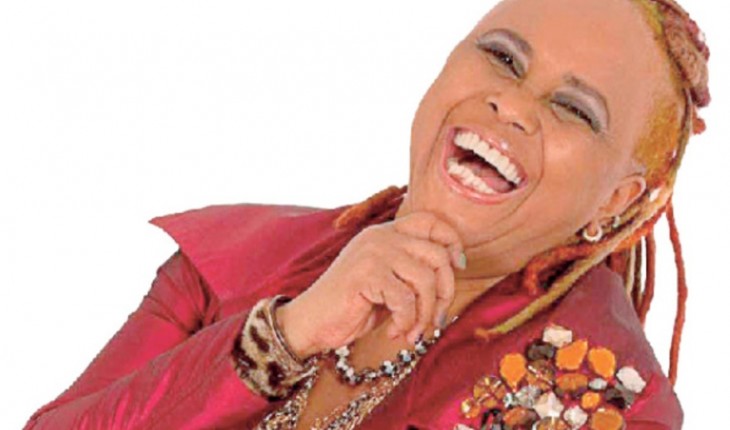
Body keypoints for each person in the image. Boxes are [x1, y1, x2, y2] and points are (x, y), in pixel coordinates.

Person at [24, 0, 710, 428]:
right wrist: (286, 336)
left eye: (573, 109)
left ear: (618, 200)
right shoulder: (226, 263)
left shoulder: (611, 405)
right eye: (503, 57)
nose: (513, 105)